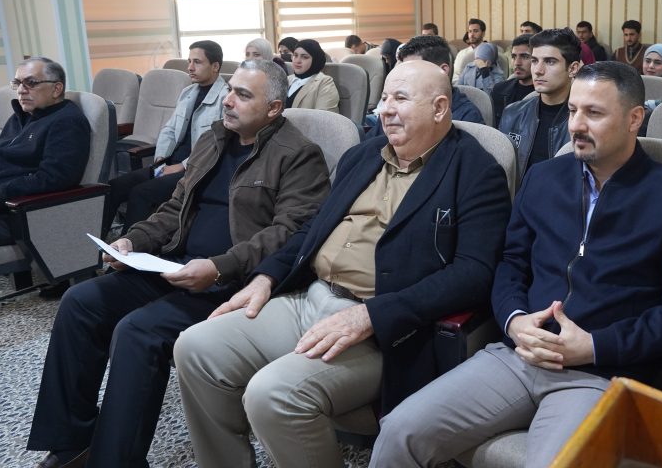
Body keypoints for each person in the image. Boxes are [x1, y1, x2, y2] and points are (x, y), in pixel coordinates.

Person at [369, 61, 662, 468]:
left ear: (634, 119)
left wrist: (596, 345)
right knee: (399, 430)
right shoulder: (543, 178)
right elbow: (510, 263)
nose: (576, 125)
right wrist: (514, 320)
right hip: (518, 354)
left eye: (594, 113)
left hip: (599, 372)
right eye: (572, 111)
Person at [172, 60, 512, 468]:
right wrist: (266, 276)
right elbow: (313, 228)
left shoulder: (475, 171)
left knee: (273, 394)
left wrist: (371, 315)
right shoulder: (363, 155)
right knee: (195, 347)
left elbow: (473, 273)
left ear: (439, 108)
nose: (386, 109)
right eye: (384, 97)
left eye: (401, 99)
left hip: (385, 328)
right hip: (309, 297)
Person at [27, 59, 331, 468]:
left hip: (230, 282)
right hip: (174, 264)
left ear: (274, 108)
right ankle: (72, 444)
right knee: (81, 302)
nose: (228, 100)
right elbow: (175, 207)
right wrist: (134, 240)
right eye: (230, 90)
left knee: (138, 331)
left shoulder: (298, 155)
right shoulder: (214, 138)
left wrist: (219, 266)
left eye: (243, 95)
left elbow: (289, 234)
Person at [102, 40, 228, 237]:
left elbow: (215, 146)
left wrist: (180, 167)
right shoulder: (188, 92)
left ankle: (127, 248)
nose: (190, 67)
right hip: (168, 164)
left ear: (215, 66)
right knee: (115, 187)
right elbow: (169, 129)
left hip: (195, 171)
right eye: (189, 61)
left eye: (197, 62)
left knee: (140, 194)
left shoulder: (225, 98)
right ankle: (94, 249)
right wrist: (160, 157)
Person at [0, 57, 90, 246]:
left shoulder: (66, 122)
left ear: (56, 89)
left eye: (31, 83)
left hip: (18, 214)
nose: (21, 90)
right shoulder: (22, 116)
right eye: (17, 83)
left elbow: (54, 178)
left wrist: (3, 191)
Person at [500, 27, 581, 183]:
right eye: (534, 61)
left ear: (572, 68)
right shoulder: (512, 113)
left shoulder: (586, 121)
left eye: (550, 62)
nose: (538, 70)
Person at [365, 35, 484, 136]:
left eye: (413, 71)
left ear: (442, 71)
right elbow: (370, 147)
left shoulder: (467, 117)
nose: (404, 78)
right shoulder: (391, 110)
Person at [490, 34, 534, 126]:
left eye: (525, 56)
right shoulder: (499, 90)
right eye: (514, 57)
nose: (517, 63)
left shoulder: (545, 94)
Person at [286, 39, 340, 112]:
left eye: (304, 57)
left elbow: (324, 117)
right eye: (295, 55)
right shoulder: (286, 79)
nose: (297, 61)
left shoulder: (325, 83)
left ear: (315, 60)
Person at [452, 18, 487, 84]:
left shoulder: (489, 53)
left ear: (483, 33)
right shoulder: (461, 53)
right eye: (470, 31)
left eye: (475, 31)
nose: (472, 34)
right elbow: (455, 74)